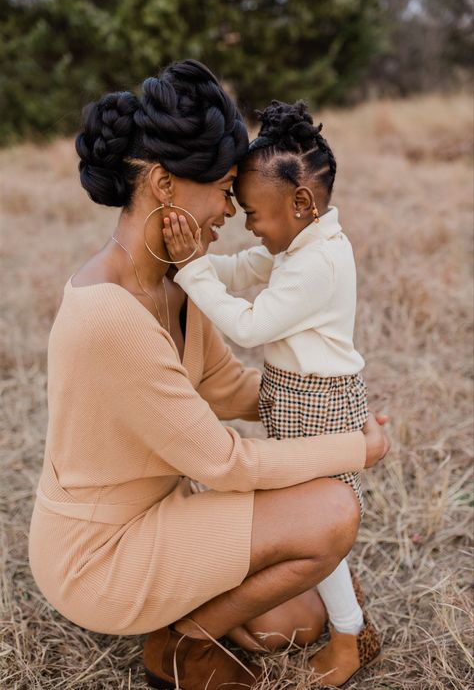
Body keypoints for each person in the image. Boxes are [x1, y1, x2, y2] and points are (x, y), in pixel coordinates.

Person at [28, 59, 390, 690]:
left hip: (165, 514)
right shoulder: (105, 314)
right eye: (224, 187)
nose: (232, 208)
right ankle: (182, 646)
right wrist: (352, 449)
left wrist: (328, 402)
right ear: (165, 185)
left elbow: (227, 389)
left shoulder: (175, 280)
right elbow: (223, 463)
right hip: (100, 555)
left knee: (296, 621)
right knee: (331, 511)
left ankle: (194, 613)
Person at [164, 99, 379, 686]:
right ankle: (346, 616)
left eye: (255, 213)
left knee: (320, 521)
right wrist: (190, 260)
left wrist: (192, 271)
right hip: (295, 397)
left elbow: (249, 326)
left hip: (319, 405)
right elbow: (239, 270)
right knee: (311, 519)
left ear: (301, 202)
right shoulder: (297, 245)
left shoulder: (319, 265)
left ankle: (348, 638)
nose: (248, 223)